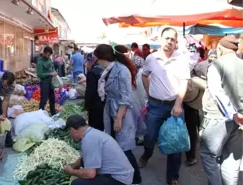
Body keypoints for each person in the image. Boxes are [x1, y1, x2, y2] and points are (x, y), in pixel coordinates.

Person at [140, 27, 190, 185]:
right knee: (149, 136)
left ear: (176, 42)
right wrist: (149, 92)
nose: (169, 41)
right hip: (155, 105)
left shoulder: (182, 59)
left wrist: (178, 104)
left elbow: (185, 82)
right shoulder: (151, 59)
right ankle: (147, 154)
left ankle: (172, 176)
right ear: (160, 40)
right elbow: (144, 75)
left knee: (175, 141)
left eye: (172, 39)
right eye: (167, 38)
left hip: (175, 106)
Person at [94, 44, 141, 184]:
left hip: (121, 112)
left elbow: (125, 98)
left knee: (124, 147)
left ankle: (136, 179)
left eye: (98, 59)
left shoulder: (122, 70)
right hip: (111, 110)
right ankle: (121, 175)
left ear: (103, 58)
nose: (97, 62)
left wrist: (119, 119)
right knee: (115, 145)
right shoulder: (108, 70)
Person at [200, 36, 243, 185]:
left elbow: (217, 92)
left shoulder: (216, 65)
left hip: (219, 118)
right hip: (239, 120)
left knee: (208, 155)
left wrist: (233, 114)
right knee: (231, 158)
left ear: (219, 48)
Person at [63, 114, 134, 185]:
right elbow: (85, 158)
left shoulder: (89, 140)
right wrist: (73, 166)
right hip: (123, 174)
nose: (70, 135)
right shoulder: (92, 133)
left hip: (119, 178)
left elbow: (90, 174)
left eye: (69, 132)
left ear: (72, 130)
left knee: (77, 183)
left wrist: (71, 172)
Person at [84, 53, 105, 131]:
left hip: (95, 105)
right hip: (104, 103)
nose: (86, 65)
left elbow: (90, 92)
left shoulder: (92, 73)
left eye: (87, 62)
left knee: (95, 128)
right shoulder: (104, 70)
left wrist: (86, 107)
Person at [36, 46, 57, 116]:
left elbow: (52, 67)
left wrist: (54, 71)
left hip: (51, 82)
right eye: (48, 55)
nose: (49, 56)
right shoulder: (40, 62)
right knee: (44, 99)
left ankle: (53, 113)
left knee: (52, 98)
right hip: (44, 82)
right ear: (44, 53)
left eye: (50, 55)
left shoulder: (49, 60)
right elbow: (39, 74)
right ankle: (40, 114)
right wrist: (50, 73)